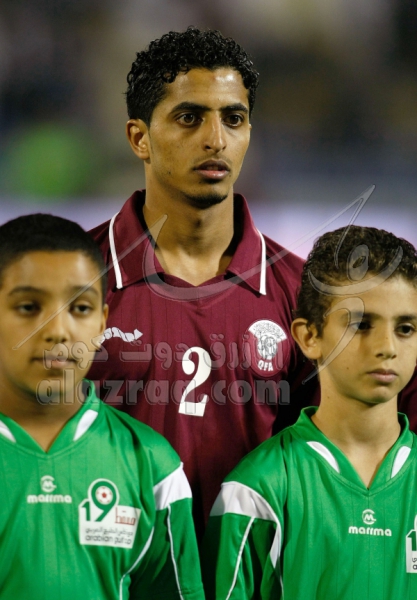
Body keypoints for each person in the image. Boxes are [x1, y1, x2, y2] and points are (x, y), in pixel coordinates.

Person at [88, 26, 317, 537]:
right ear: (139, 138)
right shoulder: (71, 282)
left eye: (233, 119)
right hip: (109, 572)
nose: (216, 139)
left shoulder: (304, 293)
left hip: (253, 574)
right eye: (189, 117)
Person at [202, 225, 417, 599]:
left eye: (406, 328)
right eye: (361, 325)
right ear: (309, 337)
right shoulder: (256, 488)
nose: (387, 346)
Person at [0, 214, 204, 600]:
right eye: (28, 306)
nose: (58, 330)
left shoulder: (154, 466)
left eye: (80, 308)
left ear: (101, 323)